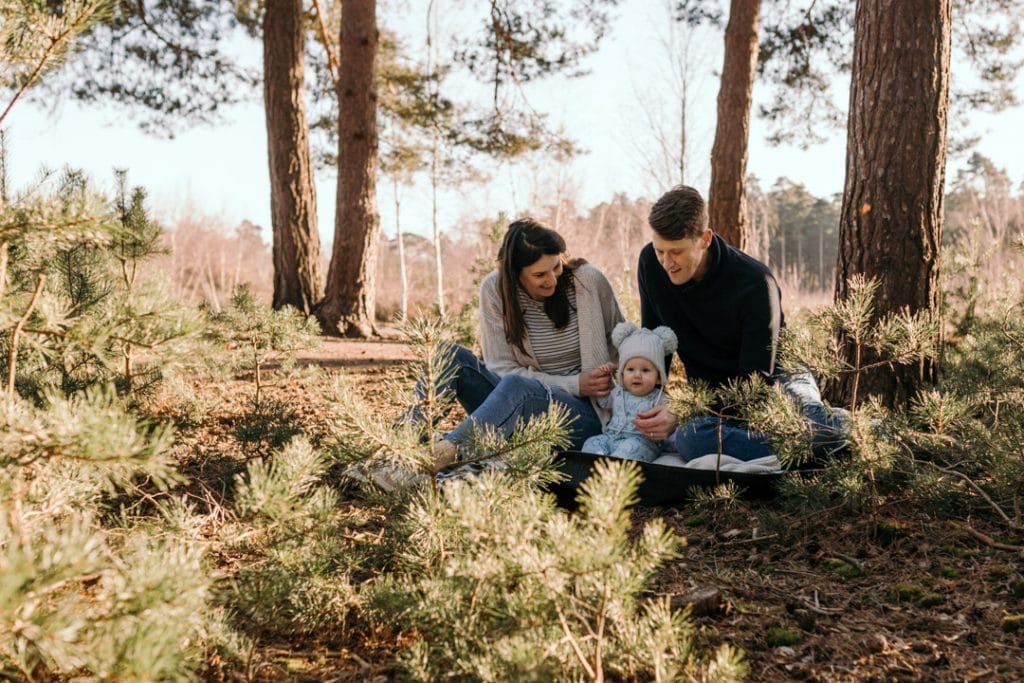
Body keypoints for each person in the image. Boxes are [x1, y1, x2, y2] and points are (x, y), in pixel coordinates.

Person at [632, 185, 846, 462]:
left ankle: (859, 433)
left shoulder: (756, 283)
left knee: (811, 418)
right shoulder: (650, 263)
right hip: (714, 395)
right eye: (660, 250)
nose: (666, 262)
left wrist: (685, 409)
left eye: (676, 252)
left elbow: (755, 380)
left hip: (775, 377)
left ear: (705, 239)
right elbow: (655, 342)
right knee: (691, 439)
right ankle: (806, 445)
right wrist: (648, 404)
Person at [414, 218, 625, 471]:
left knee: (519, 387)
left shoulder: (587, 281)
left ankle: (445, 454)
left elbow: (624, 341)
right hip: (514, 405)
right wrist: (574, 384)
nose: (552, 280)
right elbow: (501, 369)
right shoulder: (495, 289)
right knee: (448, 356)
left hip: (585, 415)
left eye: (556, 267)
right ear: (515, 274)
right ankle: (399, 448)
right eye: (539, 275)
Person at [581, 322, 678, 462]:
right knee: (593, 442)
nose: (637, 375)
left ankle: (615, 470)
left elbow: (669, 425)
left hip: (642, 442)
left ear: (658, 378)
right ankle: (591, 465)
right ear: (622, 373)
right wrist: (606, 379)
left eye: (645, 370)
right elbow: (603, 402)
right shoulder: (617, 393)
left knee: (631, 448)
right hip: (611, 437)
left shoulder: (659, 399)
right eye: (630, 370)